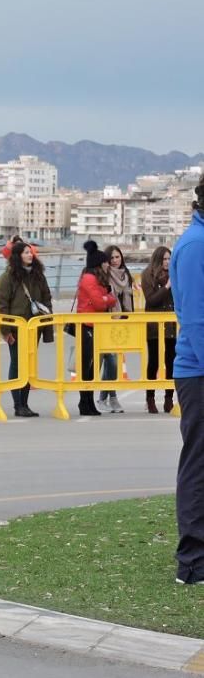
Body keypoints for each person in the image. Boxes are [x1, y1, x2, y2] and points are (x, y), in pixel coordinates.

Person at [169, 173, 204, 585]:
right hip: (198, 372)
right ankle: (193, 562)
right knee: (198, 465)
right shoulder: (195, 246)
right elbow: (196, 320)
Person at [0, 242, 53, 417]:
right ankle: (17, 404)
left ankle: (25, 404)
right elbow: (2, 305)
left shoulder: (38, 276)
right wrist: (6, 331)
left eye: (31, 252)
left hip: (34, 327)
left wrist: (46, 327)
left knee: (28, 365)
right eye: (26, 252)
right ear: (17, 255)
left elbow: (46, 300)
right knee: (17, 363)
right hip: (16, 327)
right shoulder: (8, 277)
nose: (30, 255)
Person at [75, 241, 117, 417]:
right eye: (106, 262)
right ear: (99, 264)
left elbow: (102, 299)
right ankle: (85, 402)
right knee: (88, 366)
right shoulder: (89, 279)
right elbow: (100, 302)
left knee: (91, 367)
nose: (109, 264)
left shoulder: (95, 278)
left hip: (94, 325)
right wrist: (109, 298)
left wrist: (106, 297)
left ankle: (88, 401)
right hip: (87, 326)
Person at [96, 244, 134, 413]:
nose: (115, 260)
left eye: (118, 257)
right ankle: (110, 397)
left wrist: (128, 320)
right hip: (105, 321)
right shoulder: (104, 275)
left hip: (120, 323)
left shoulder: (126, 276)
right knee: (110, 361)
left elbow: (129, 302)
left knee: (113, 362)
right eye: (112, 258)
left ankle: (105, 398)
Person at [141, 246, 176, 414]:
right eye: (164, 259)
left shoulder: (175, 273)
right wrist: (167, 287)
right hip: (154, 323)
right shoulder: (148, 275)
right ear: (158, 260)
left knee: (171, 359)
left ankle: (169, 398)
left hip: (171, 323)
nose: (168, 262)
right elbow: (152, 299)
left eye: (170, 258)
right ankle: (150, 398)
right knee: (153, 360)